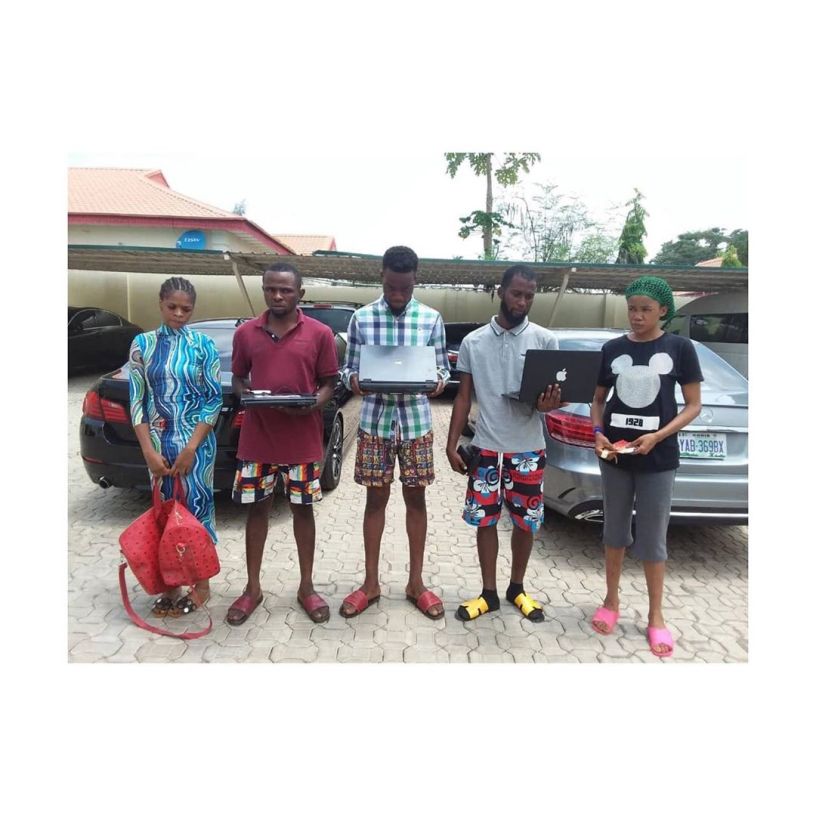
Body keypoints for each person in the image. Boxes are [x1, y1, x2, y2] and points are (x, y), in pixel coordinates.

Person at [589, 275, 702, 658]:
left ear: (663, 310)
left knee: (653, 537)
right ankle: (611, 601)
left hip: (658, 458)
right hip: (615, 457)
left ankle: (656, 616)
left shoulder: (679, 348)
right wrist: (598, 433)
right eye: (632, 309)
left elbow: (693, 405)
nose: (637, 316)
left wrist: (659, 435)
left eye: (646, 310)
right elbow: (597, 400)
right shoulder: (613, 349)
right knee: (614, 531)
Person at [446, 264, 564, 622]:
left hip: (528, 449)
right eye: (516, 294)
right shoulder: (473, 342)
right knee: (485, 521)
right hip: (485, 448)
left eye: (529, 296)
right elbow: (463, 397)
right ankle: (488, 593)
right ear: (501, 291)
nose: (522, 302)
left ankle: (517, 588)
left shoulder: (545, 340)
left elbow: (554, 399)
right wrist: (451, 444)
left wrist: (549, 404)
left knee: (526, 522)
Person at [339, 246, 449, 620]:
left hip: (416, 424)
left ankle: (416, 583)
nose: (398, 295)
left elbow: (442, 369)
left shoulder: (431, 319)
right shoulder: (362, 319)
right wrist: (353, 380)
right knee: (375, 501)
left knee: (416, 500)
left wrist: (438, 382)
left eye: (405, 288)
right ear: (381, 277)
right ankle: (370, 583)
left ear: (416, 279)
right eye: (391, 287)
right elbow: (348, 369)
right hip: (375, 423)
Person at [226, 262, 339, 625]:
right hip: (257, 440)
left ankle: (307, 587)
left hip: (301, 441)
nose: (277, 296)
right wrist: (248, 397)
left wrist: (313, 404)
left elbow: (329, 383)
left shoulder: (320, 334)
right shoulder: (245, 333)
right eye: (271, 289)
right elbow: (238, 378)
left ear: (299, 293)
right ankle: (252, 589)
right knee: (256, 511)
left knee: (302, 511)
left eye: (285, 290)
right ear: (263, 290)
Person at [129, 276, 222, 617]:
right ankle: (171, 585)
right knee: (164, 514)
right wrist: (148, 452)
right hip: (157, 445)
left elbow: (213, 400)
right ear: (160, 303)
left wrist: (191, 447)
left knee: (196, 511)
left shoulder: (203, 345)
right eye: (172, 307)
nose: (179, 314)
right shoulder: (142, 344)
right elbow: (137, 400)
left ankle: (202, 584)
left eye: (186, 309)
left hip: (196, 445)